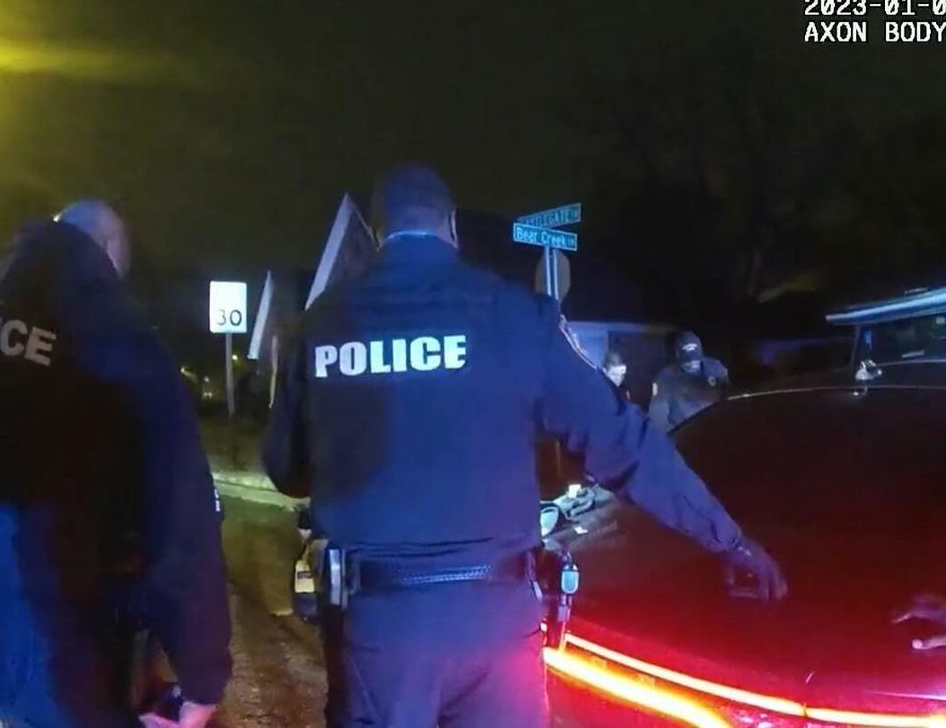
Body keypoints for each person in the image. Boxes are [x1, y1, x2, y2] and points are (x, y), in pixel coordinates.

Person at [264, 164, 786, 728]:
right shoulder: (513, 314)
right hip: (499, 625)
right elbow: (623, 442)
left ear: (375, 233)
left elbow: (286, 469)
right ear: (453, 227)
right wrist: (728, 539)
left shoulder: (319, 327)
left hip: (379, 631)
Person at [0, 201, 231, 728]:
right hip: (72, 666)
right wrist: (202, 674)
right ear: (109, 255)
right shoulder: (125, 351)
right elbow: (180, 528)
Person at [649, 330, 729, 431]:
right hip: (684, 431)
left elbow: (727, 401)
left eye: (695, 360)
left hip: (715, 427)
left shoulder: (716, 368)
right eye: (688, 361)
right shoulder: (665, 378)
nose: (692, 364)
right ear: (677, 355)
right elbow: (658, 417)